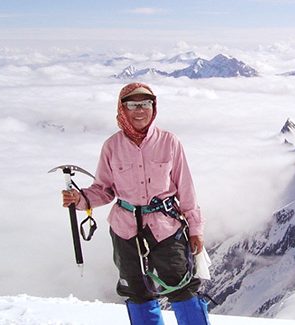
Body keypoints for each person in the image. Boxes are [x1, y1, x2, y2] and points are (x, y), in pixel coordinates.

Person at [62, 82, 210, 325]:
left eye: (146, 104)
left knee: (183, 288)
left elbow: (186, 189)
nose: (140, 110)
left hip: (166, 229)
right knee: (137, 292)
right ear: (122, 109)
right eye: (133, 104)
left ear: (154, 107)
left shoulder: (169, 142)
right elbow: (104, 189)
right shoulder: (112, 146)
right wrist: (80, 199)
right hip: (125, 230)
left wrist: (196, 229)